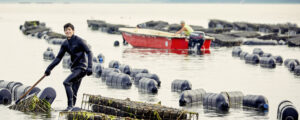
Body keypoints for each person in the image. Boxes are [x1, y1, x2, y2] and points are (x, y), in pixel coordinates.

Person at [44, 23, 93, 111]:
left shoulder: (80, 41)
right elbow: (58, 58)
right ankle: (72, 109)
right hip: (75, 69)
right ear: (64, 32)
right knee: (74, 90)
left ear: (73, 31)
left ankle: (70, 106)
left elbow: (89, 52)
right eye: (66, 30)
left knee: (66, 82)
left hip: (82, 68)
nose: (68, 31)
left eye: (69, 29)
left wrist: (90, 67)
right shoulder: (65, 44)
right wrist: (49, 68)